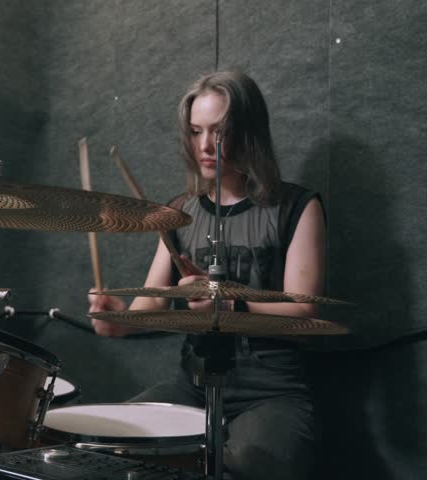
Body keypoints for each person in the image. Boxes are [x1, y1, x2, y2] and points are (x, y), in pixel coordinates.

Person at [88, 71, 325, 480]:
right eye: (195, 131)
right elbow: (153, 303)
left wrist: (230, 303)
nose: (203, 145)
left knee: (253, 460)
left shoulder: (297, 207)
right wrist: (118, 319)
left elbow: (305, 312)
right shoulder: (179, 212)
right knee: (117, 441)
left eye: (219, 131)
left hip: (271, 391)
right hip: (192, 385)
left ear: (249, 132)